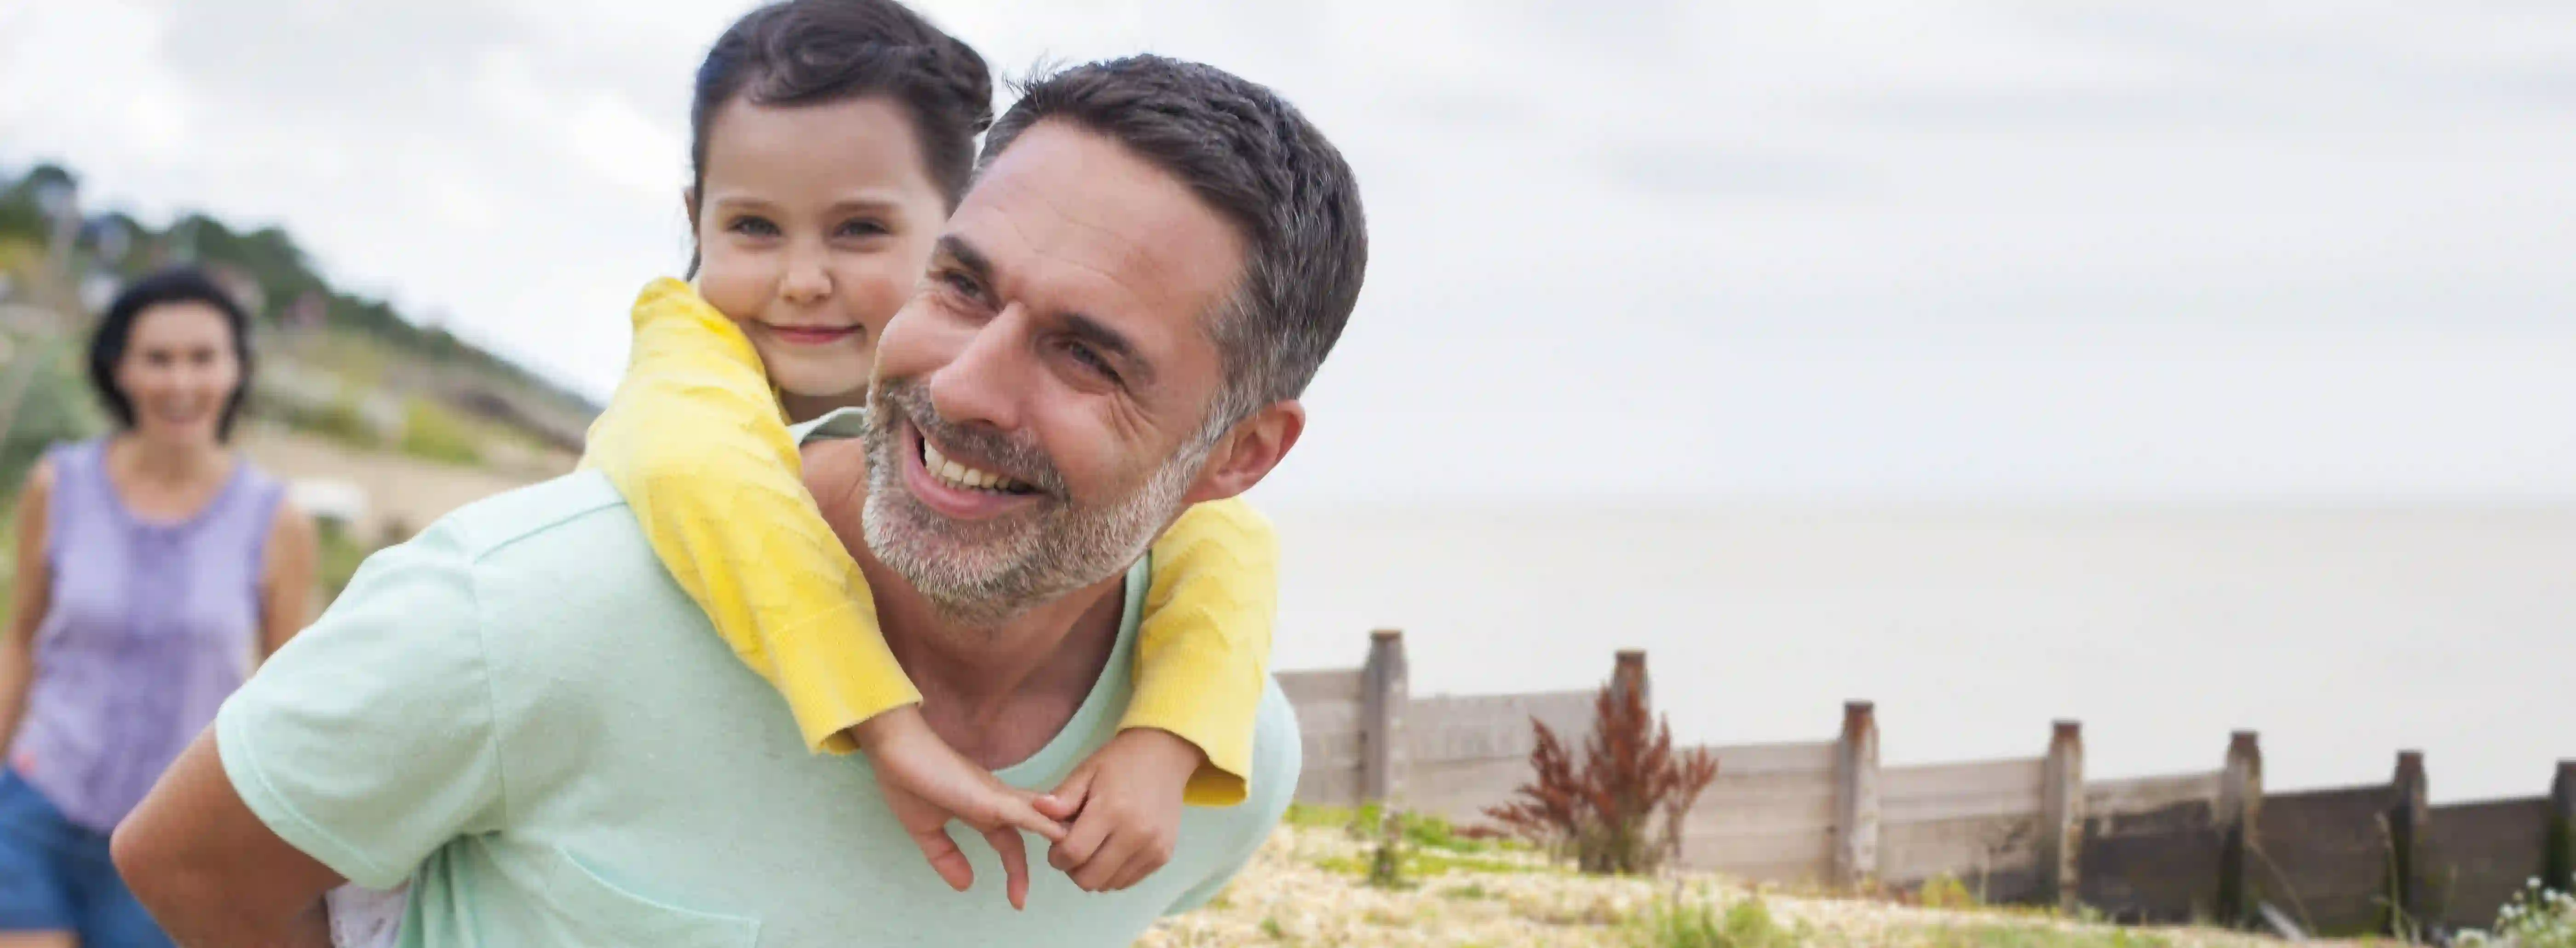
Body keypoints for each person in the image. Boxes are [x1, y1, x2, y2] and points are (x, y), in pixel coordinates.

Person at [111, 52, 1367, 947]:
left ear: (1241, 456)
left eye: (1087, 353)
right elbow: (189, 866)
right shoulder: (534, 605)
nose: (966, 384)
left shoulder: (1226, 769)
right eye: (964, 287)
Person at [578, 0, 1280, 896]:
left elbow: (1226, 534)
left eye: (859, 230)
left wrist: (1164, 740)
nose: (800, 281)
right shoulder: (686, 350)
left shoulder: (959, 376)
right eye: (752, 227)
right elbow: (716, 483)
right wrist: (889, 724)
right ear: (695, 215)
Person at [0, 269, 318, 948]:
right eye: (158, 359)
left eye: (203, 358)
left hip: (173, 848)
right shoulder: (58, 485)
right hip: (38, 806)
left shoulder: (278, 522)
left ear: (236, 370)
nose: (180, 383)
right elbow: (20, 641)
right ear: (120, 370)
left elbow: (287, 699)